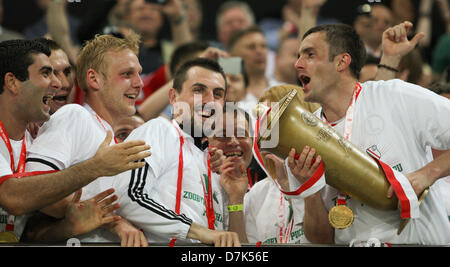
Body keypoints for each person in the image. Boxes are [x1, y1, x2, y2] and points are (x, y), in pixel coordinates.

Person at [290, 23, 450, 245]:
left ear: (341, 62)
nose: (297, 64)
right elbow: (321, 240)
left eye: (309, 54)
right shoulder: (302, 136)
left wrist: (427, 174)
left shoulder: (394, 96)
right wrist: (310, 190)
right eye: (299, 56)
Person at [0, 39, 150, 241]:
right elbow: (12, 197)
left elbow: (31, 232)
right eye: (46, 73)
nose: (60, 83)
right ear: (12, 82)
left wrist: (68, 226)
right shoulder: (75, 117)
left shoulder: (29, 139)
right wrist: (95, 167)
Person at [111, 58, 243, 246]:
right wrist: (200, 232)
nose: (209, 101)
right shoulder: (159, 130)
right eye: (198, 90)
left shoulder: (214, 161)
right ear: (173, 98)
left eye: (218, 94)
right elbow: (129, 197)